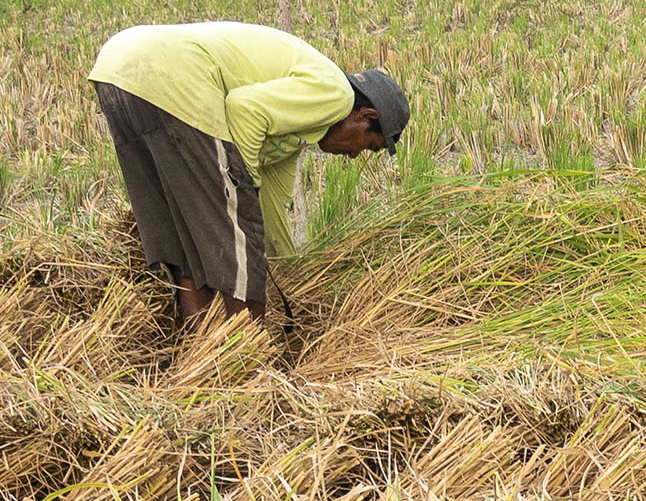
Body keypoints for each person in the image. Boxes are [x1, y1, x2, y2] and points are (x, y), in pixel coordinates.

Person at [88, 22, 409, 343]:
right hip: (172, 76)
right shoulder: (336, 95)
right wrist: (243, 188)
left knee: (181, 245)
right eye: (369, 145)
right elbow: (243, 111)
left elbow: (272, 222)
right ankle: (249, 361)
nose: (354, 156)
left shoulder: (291, 134)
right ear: (364, 116)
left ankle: (202, 357)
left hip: (119, 70)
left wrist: (294, 278)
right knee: (238, 242)